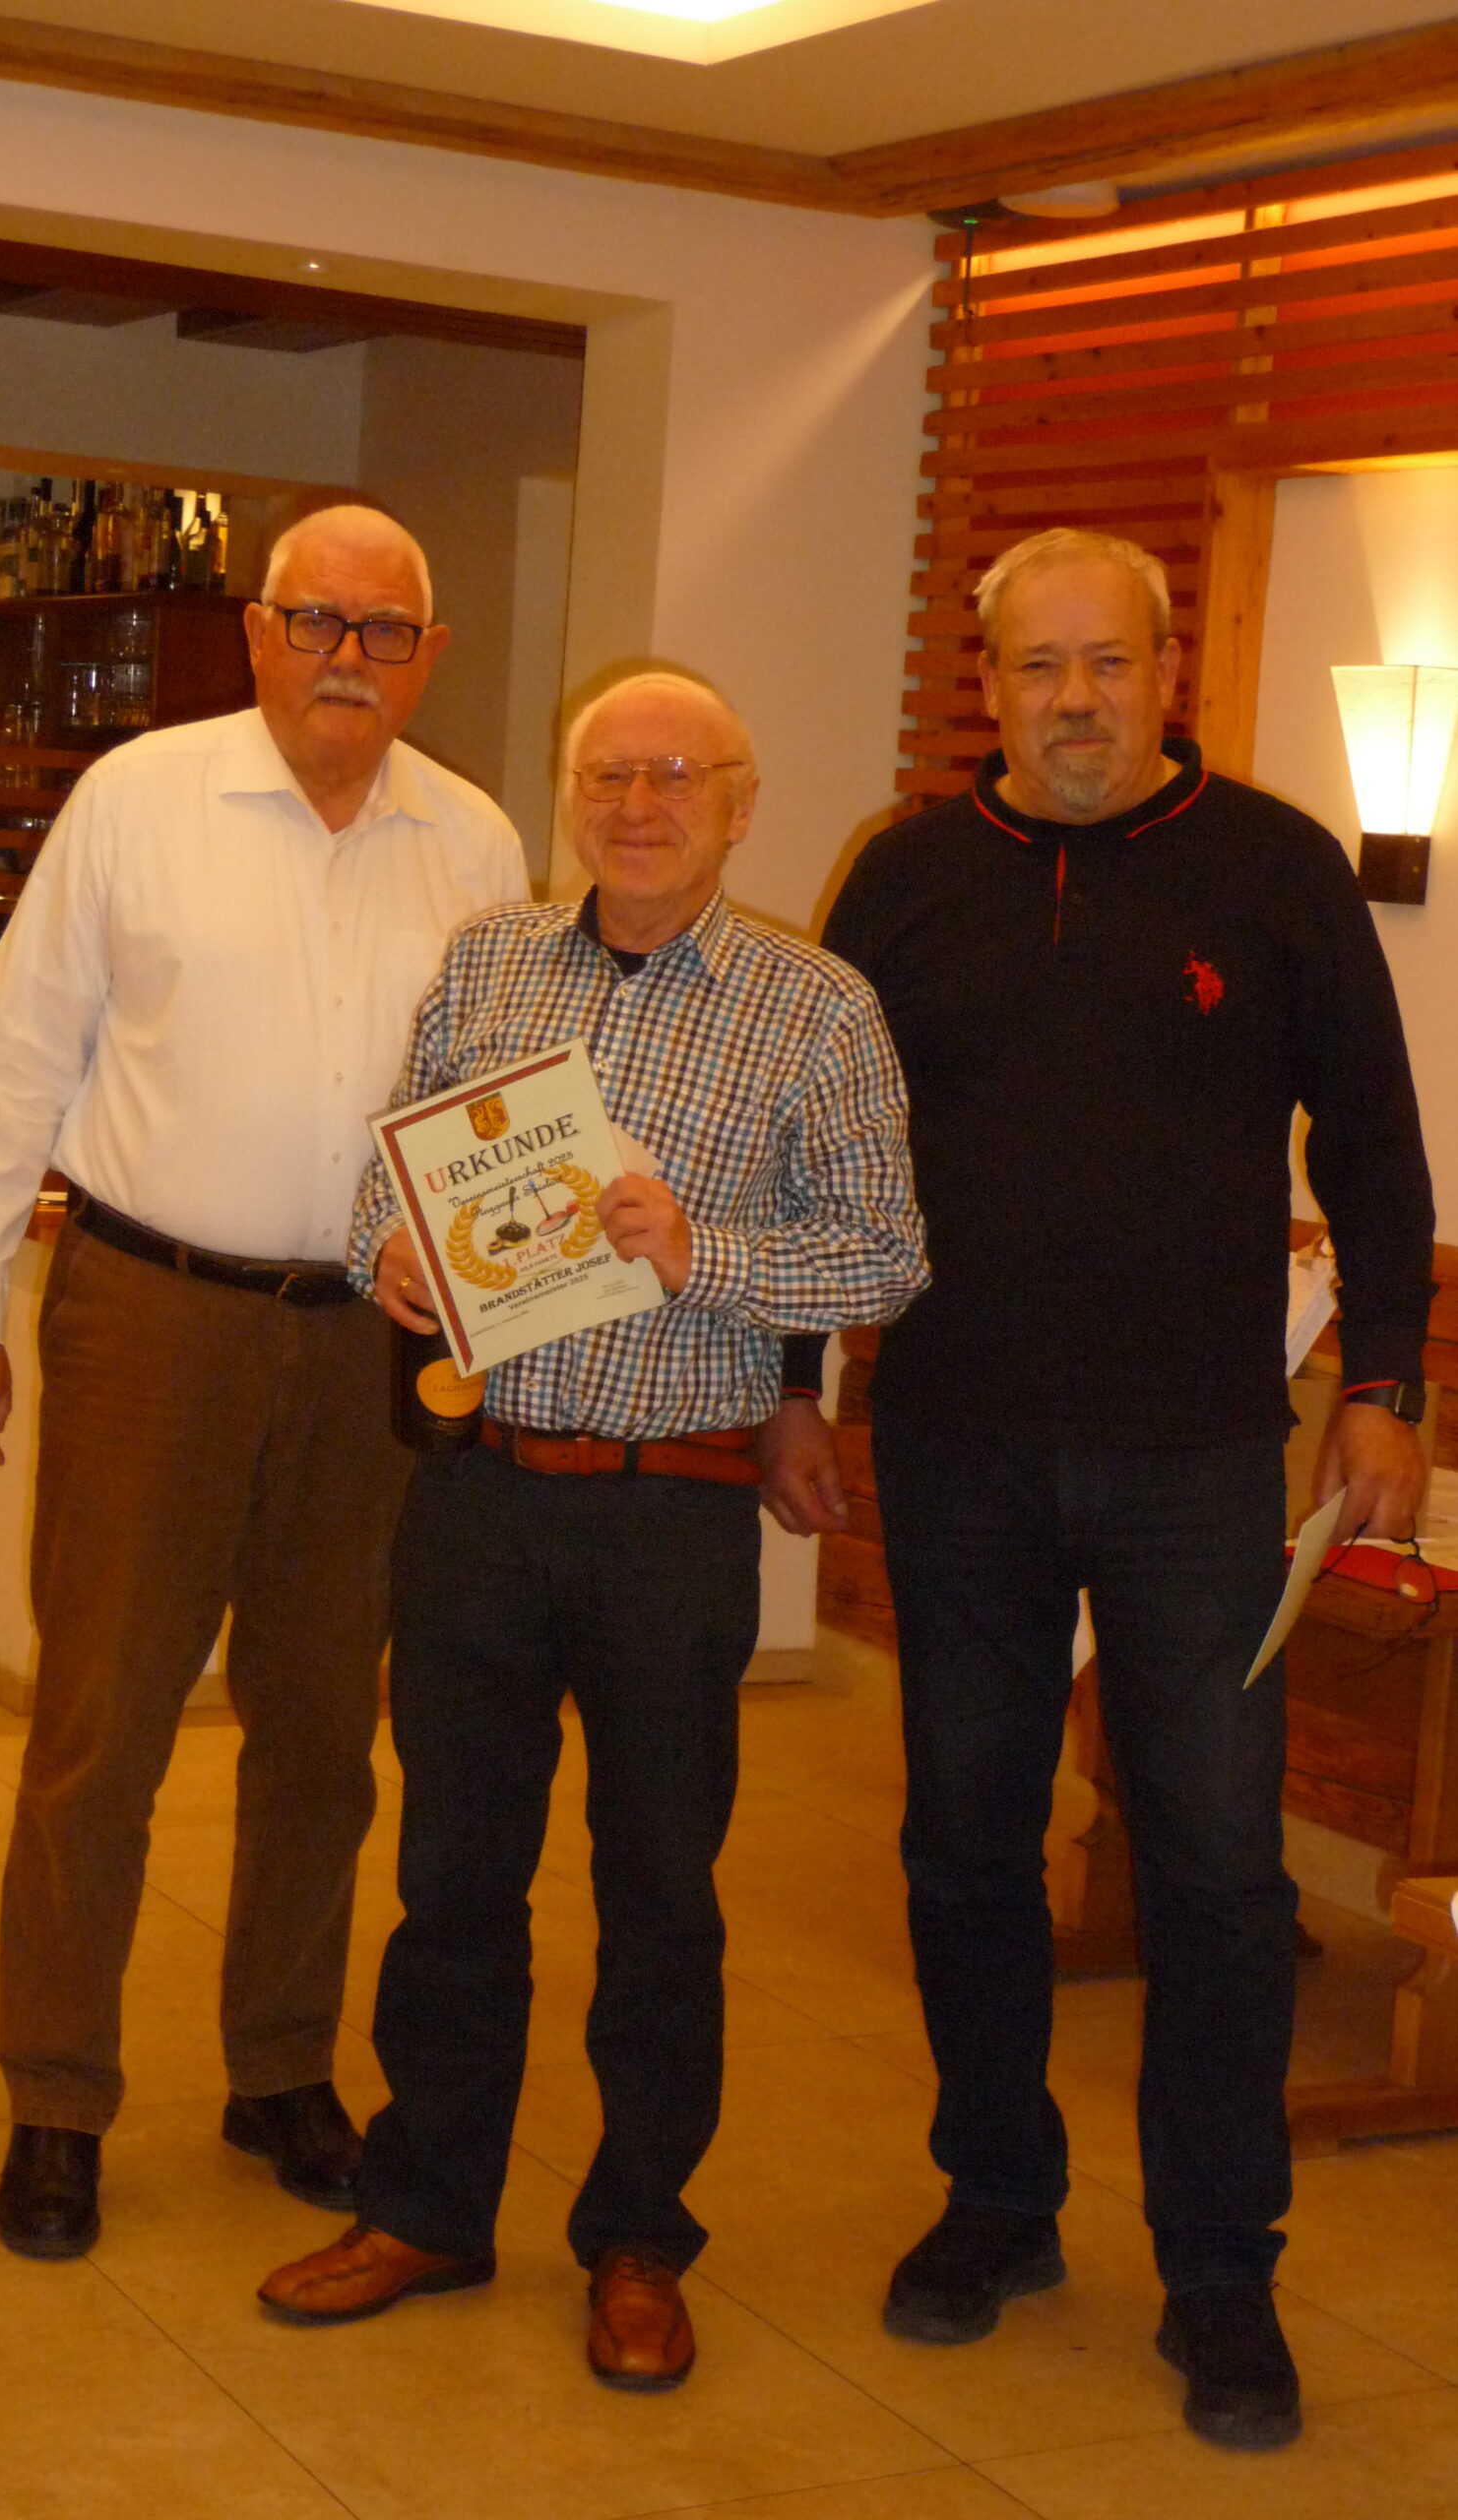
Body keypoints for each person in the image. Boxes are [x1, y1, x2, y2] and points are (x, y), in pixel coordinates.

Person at [783, 527, 1433, 2452]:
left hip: (1196, 1463)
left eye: (1107, 662)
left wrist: (1382, 1388)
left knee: (1216, 1872)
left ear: (1166, 672)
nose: (1073, 699)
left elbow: (1377, 1145)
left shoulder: (1277, 868)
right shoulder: (902, 878)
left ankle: (1220, 2267)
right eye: (1037, 666)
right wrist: (790, 1385)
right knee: (962, 1844)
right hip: (955, 1443)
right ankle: (996, 2195)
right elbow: (820, 1154)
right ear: (988, 684)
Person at [254, 669, 928, 2386]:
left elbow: (887, 1256)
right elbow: (385, 1177)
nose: (638, 805)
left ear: (739, 803)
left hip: (671, 1515)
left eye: (676, 775)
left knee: (661, 1897)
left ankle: (639, 2239)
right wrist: (388, 1250)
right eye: (609, 775)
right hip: (478, 1495)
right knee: (451, 1879)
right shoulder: (490, 964)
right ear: (572, 796)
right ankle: (427, 2207)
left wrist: (705, 1252)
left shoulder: (818, 1008)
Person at [0, 503, 529, 2260]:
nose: (348, 655)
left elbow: (497, 1100)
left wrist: (500, 1308)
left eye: (385, 630)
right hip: (152, 1316)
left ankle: (279, 2068)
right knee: (100, 1728)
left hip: (372, 1346)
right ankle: (57, 2096)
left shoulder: (476, 842)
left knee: (325, 1733)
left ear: (428, 657)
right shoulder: (140, 800)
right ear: (259, 632)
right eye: (316, 620)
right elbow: (14, 1053)